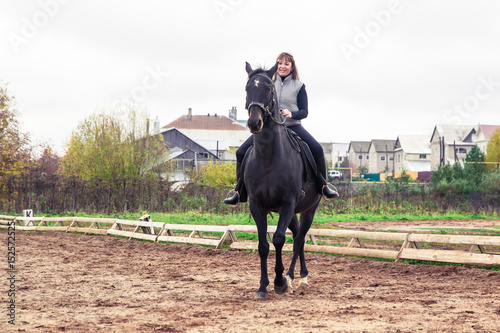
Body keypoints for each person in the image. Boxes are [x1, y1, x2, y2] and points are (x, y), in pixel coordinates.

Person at [224, 52, 338, 205]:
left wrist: (292, 113)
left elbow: (305, 111)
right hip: (270, 131)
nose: (282, 66)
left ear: (292, 67)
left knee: (317, 149)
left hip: (293, 126)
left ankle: (323, 186)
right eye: (280, 63)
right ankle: (239, 191)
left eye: (286, 64)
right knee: (240, 152)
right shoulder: (268, 83)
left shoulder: (299, 86)